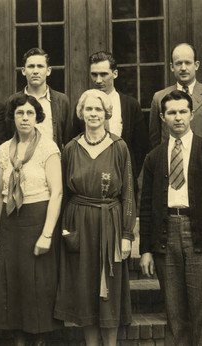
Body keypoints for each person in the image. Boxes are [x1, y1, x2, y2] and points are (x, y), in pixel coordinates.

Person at [139, 90, 202, 345]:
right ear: (162, 117)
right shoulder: (155, 157)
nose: (178, 117)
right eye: (171, 112)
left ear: (192, 114)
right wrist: (146, 249)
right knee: (175, 316)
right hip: (165, 234)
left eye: (183, 111)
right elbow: (146, 206)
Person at [55, 89, 136, 346]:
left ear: (106, 113)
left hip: (110, 223)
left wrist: (126, 234)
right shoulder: (70, 148)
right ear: (81, 113)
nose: (93, 114)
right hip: (78, 223)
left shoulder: (119, 147)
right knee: (84, 288)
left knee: (109, 291)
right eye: (88, 109)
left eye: (98, 109)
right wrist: (65, 232)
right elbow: (64, 194)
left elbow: (129, 194)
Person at [0, 94, 63, 345]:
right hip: (11, 223)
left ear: (37, 117)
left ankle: (40, 340)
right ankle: (18, 339)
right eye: (19, 113)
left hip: (38, 219)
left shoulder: (48, 147)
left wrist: (46, 234)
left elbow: (57, 192)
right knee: (14, 283)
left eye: (30, 113)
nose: (24, 118)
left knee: (39, 283)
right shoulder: (4, 150)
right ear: (12, 117)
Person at [72, 51, 149, 188]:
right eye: (94, 74)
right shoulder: (83, 106)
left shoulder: (130, 105)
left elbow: (140, 146)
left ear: (115, 74)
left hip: (122, 176)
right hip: (90, 178)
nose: (98, 80)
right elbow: (73, 142)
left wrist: (127, 172)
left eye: (103, 74)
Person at [148, 43, 202, 156]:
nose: (183, 68)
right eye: (178, 63)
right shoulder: (159, 98)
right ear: (172, 67)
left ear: (196, 65)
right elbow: (155, 138)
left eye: (188, 63)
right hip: (173, 164)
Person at [7, 48, 72, 150]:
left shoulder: (62, 101)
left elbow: (68, 140)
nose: (35, 71)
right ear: (23, 71)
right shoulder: (13, 101)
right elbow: (9, 137)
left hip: (53, 161)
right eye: (31, 66)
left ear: (48, 71)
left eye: (40, 66)